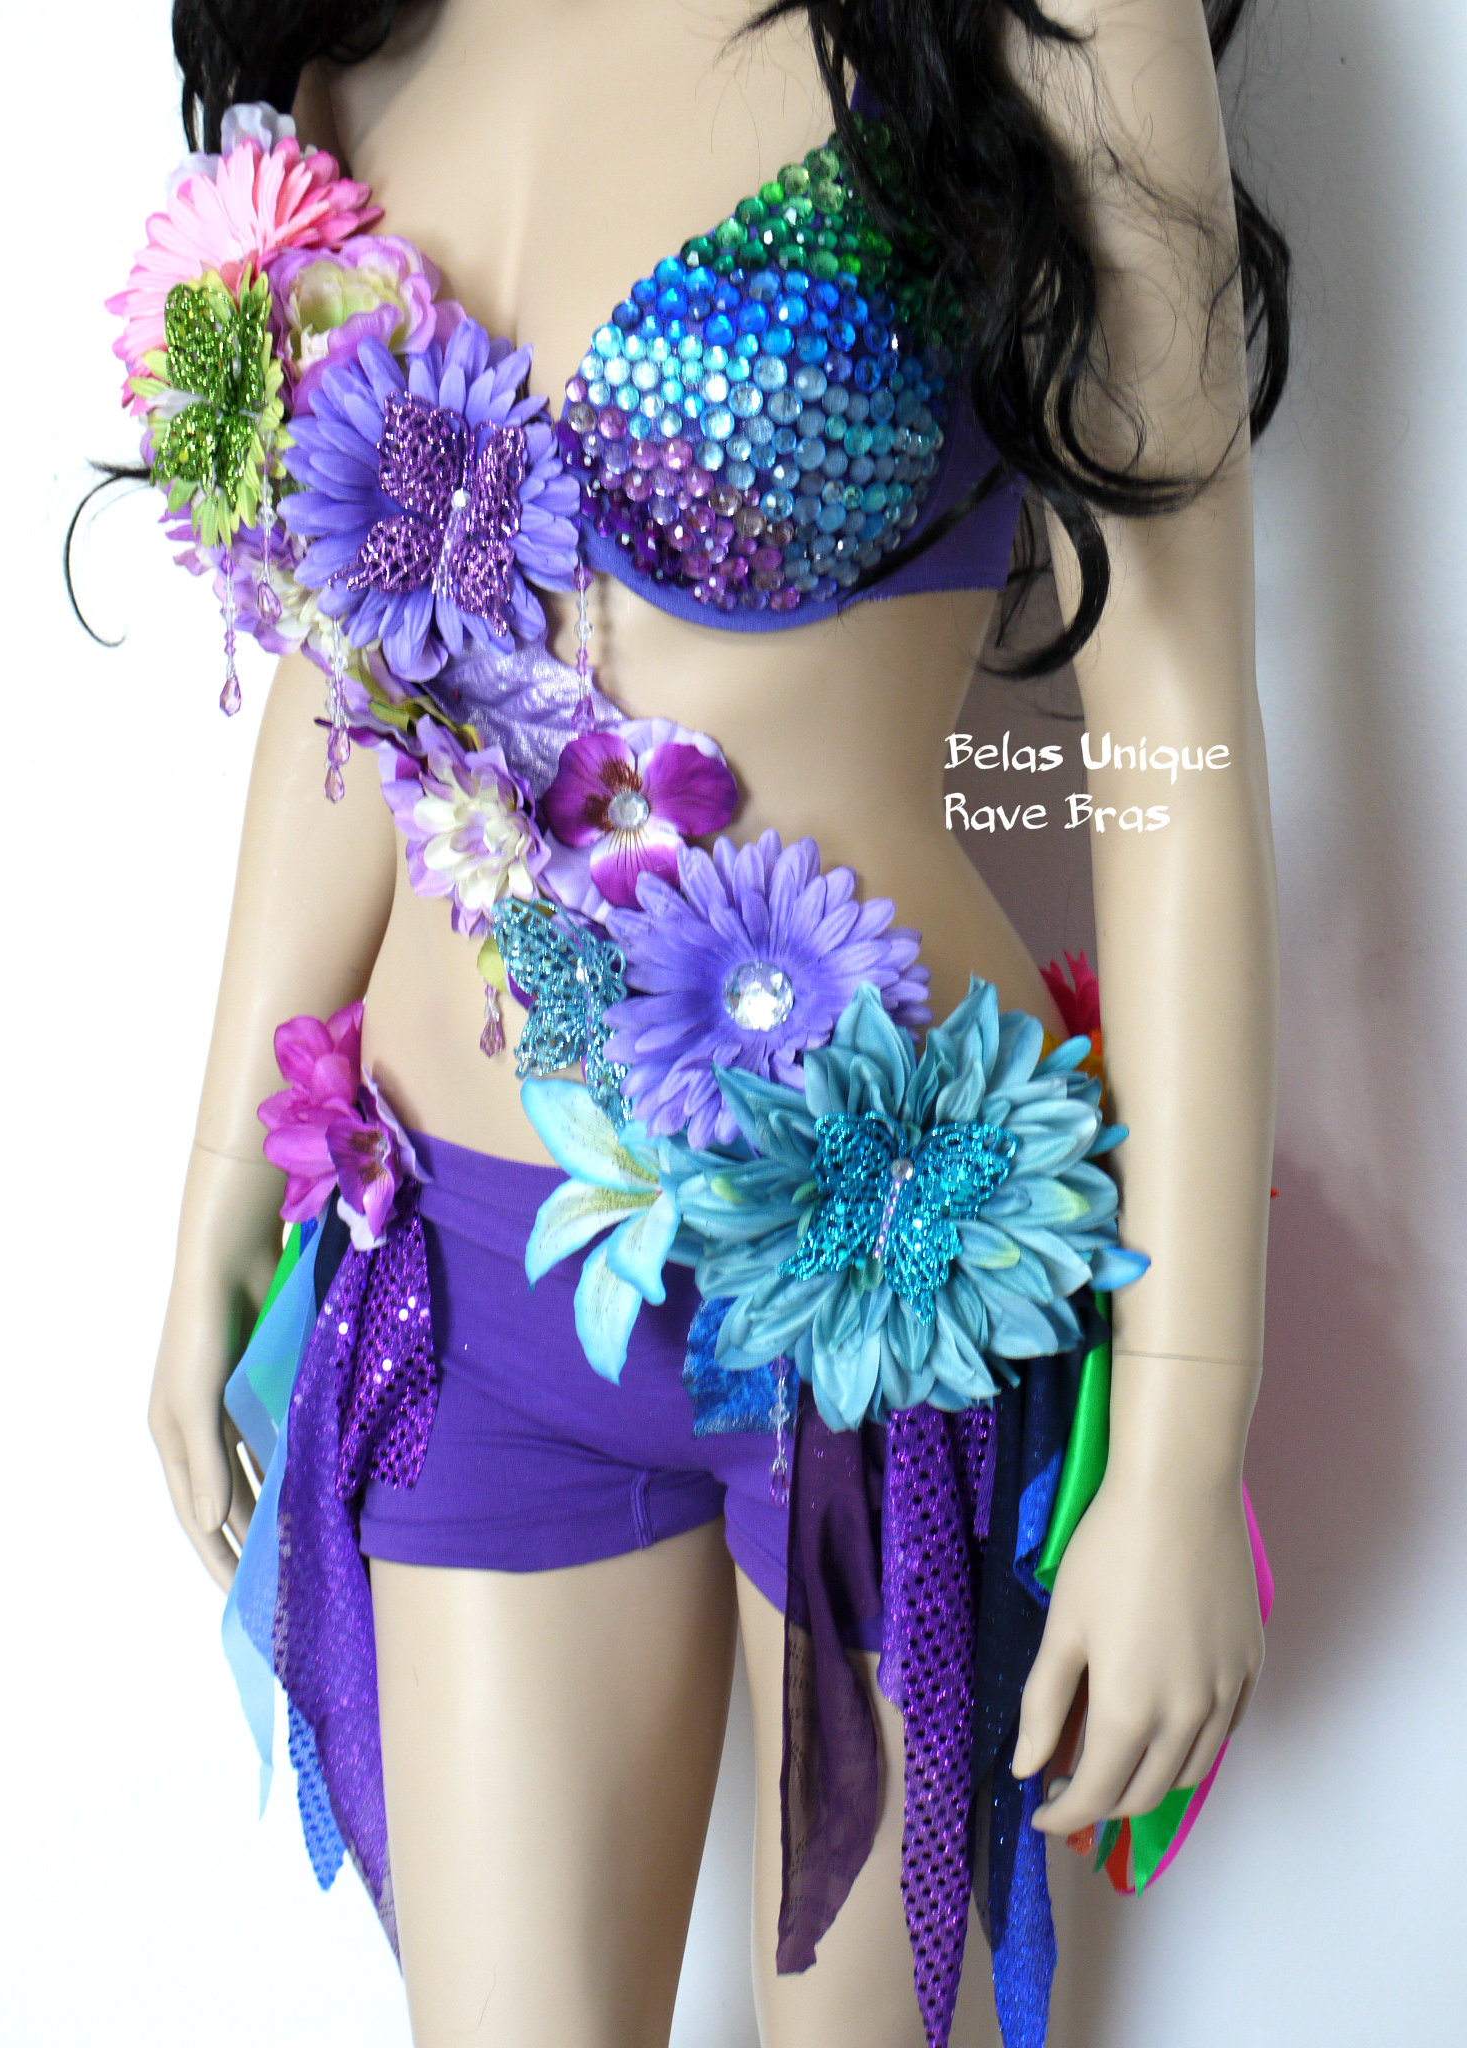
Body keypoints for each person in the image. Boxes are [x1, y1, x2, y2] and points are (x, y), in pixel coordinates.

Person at [140, 2, 1289, 2043]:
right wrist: (224, 1175)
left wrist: (1187, 1436)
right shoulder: (355, 22)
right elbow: (357, 661)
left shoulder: (1046, 21)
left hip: (895, 1283)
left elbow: (1173, 731)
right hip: (453, 1271)